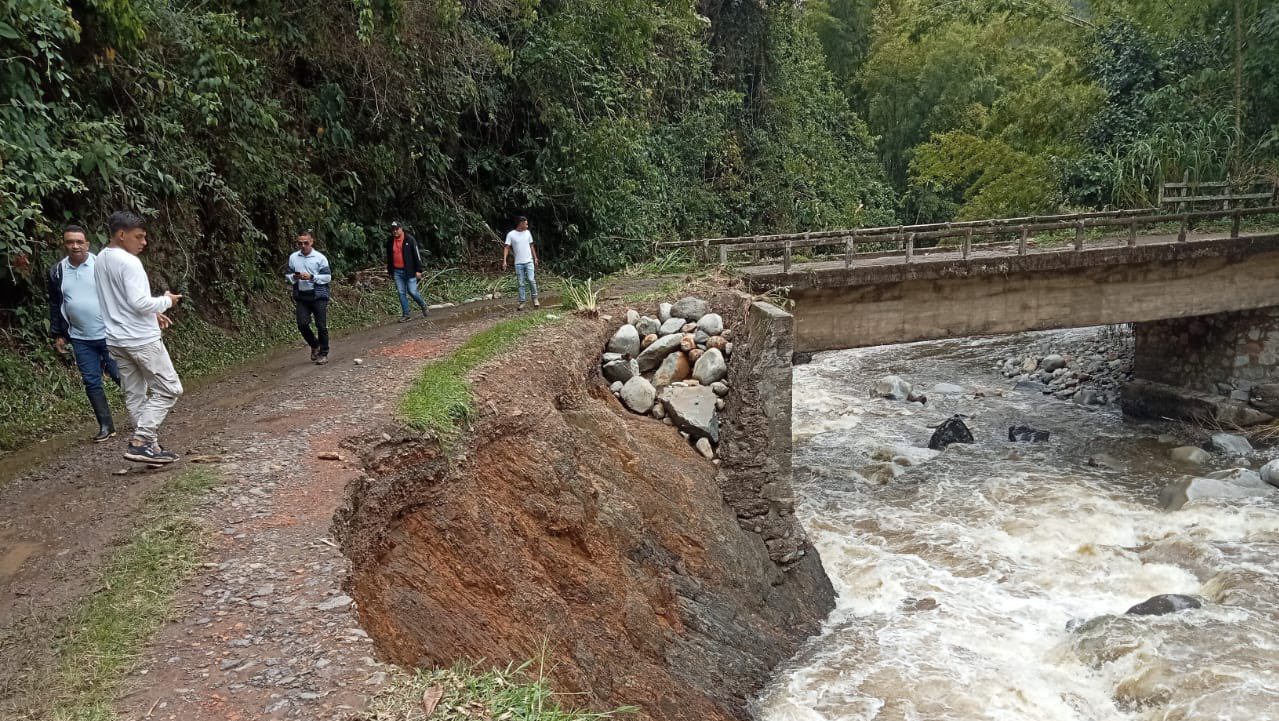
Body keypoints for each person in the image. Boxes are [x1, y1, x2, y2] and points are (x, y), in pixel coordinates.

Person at [95, 211, 183, 464]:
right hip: (140, 340)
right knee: (169, 388)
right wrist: (167, 301)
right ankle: (141, 441)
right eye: (139, 237)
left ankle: (151, 449)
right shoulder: (129, 262)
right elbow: (139, 302)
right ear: (121, 235)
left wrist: (153, 312)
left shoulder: (101, 258)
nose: (143, 242)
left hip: (116, 339)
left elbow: (121, 301)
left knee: (135, 394)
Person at [47, 225, 122, 442]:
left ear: (87, 244)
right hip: (80, 338)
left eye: (79, 242)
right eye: (70, 242)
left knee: (120, 375)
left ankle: (143, 414)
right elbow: (56, 303)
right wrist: (58, 333)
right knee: (91, 381)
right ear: (64, 244)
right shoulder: (57, 271)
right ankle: (106, 425)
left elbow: (119, 295)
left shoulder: (101, 265)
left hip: (108, 334)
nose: (75, 246)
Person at [285, 229, 333, 364]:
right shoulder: (293, 257)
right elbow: (288, 275)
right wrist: (294, 277)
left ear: (311, 242)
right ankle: (315, 344)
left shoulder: (320, 258)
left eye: (306, 243)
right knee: (302, 324)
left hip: (318, 295)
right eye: (300, 243)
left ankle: (324, 353)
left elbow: (327, 277)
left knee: (321, 325)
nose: (303, 246)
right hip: (302, 295)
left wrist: (312, 277)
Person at [384, 221, 428, 322]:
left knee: (412, 291)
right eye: (393, 229)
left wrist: (419, 270)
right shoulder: (390, 241)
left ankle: (423, 305)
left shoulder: (410, 240)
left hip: (410, 271)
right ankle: (406, 314)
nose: (394, 231)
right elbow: (389, 257)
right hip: (397, 271)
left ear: (401, 229)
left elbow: (417, 255)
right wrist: (390, 271)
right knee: (401, 292)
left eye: (396, 229)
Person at [502, 216, 539, 310]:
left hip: (529, 261)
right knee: (521, 283)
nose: (527, 225)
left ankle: (535, 299)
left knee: (531, 280)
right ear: (520, 223)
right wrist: (504, 261)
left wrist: (535, 258)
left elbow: (531, 246)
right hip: (518, 263)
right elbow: (506, 247)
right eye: (526, 223)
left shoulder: (528, 233)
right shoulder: (511, 234)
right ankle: (522, 302)